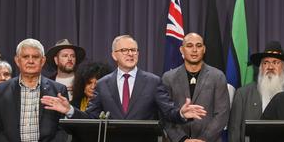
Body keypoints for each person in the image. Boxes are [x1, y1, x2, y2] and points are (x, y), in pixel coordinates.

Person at [50, 34, 206, 122]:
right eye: (124, 50)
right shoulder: (103, 84)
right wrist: (70, 110)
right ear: (114, 55)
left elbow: (168, 112)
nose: (130, 54)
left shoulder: (153, 81)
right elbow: (91, 118)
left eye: (133, 50)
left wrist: (181, 113)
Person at [228, 40, 284, 142]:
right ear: (260, 67)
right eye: (265, 63)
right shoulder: (243, 93)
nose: (270, 66)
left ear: (283, 67)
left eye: (275, 62)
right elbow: (234, 129)